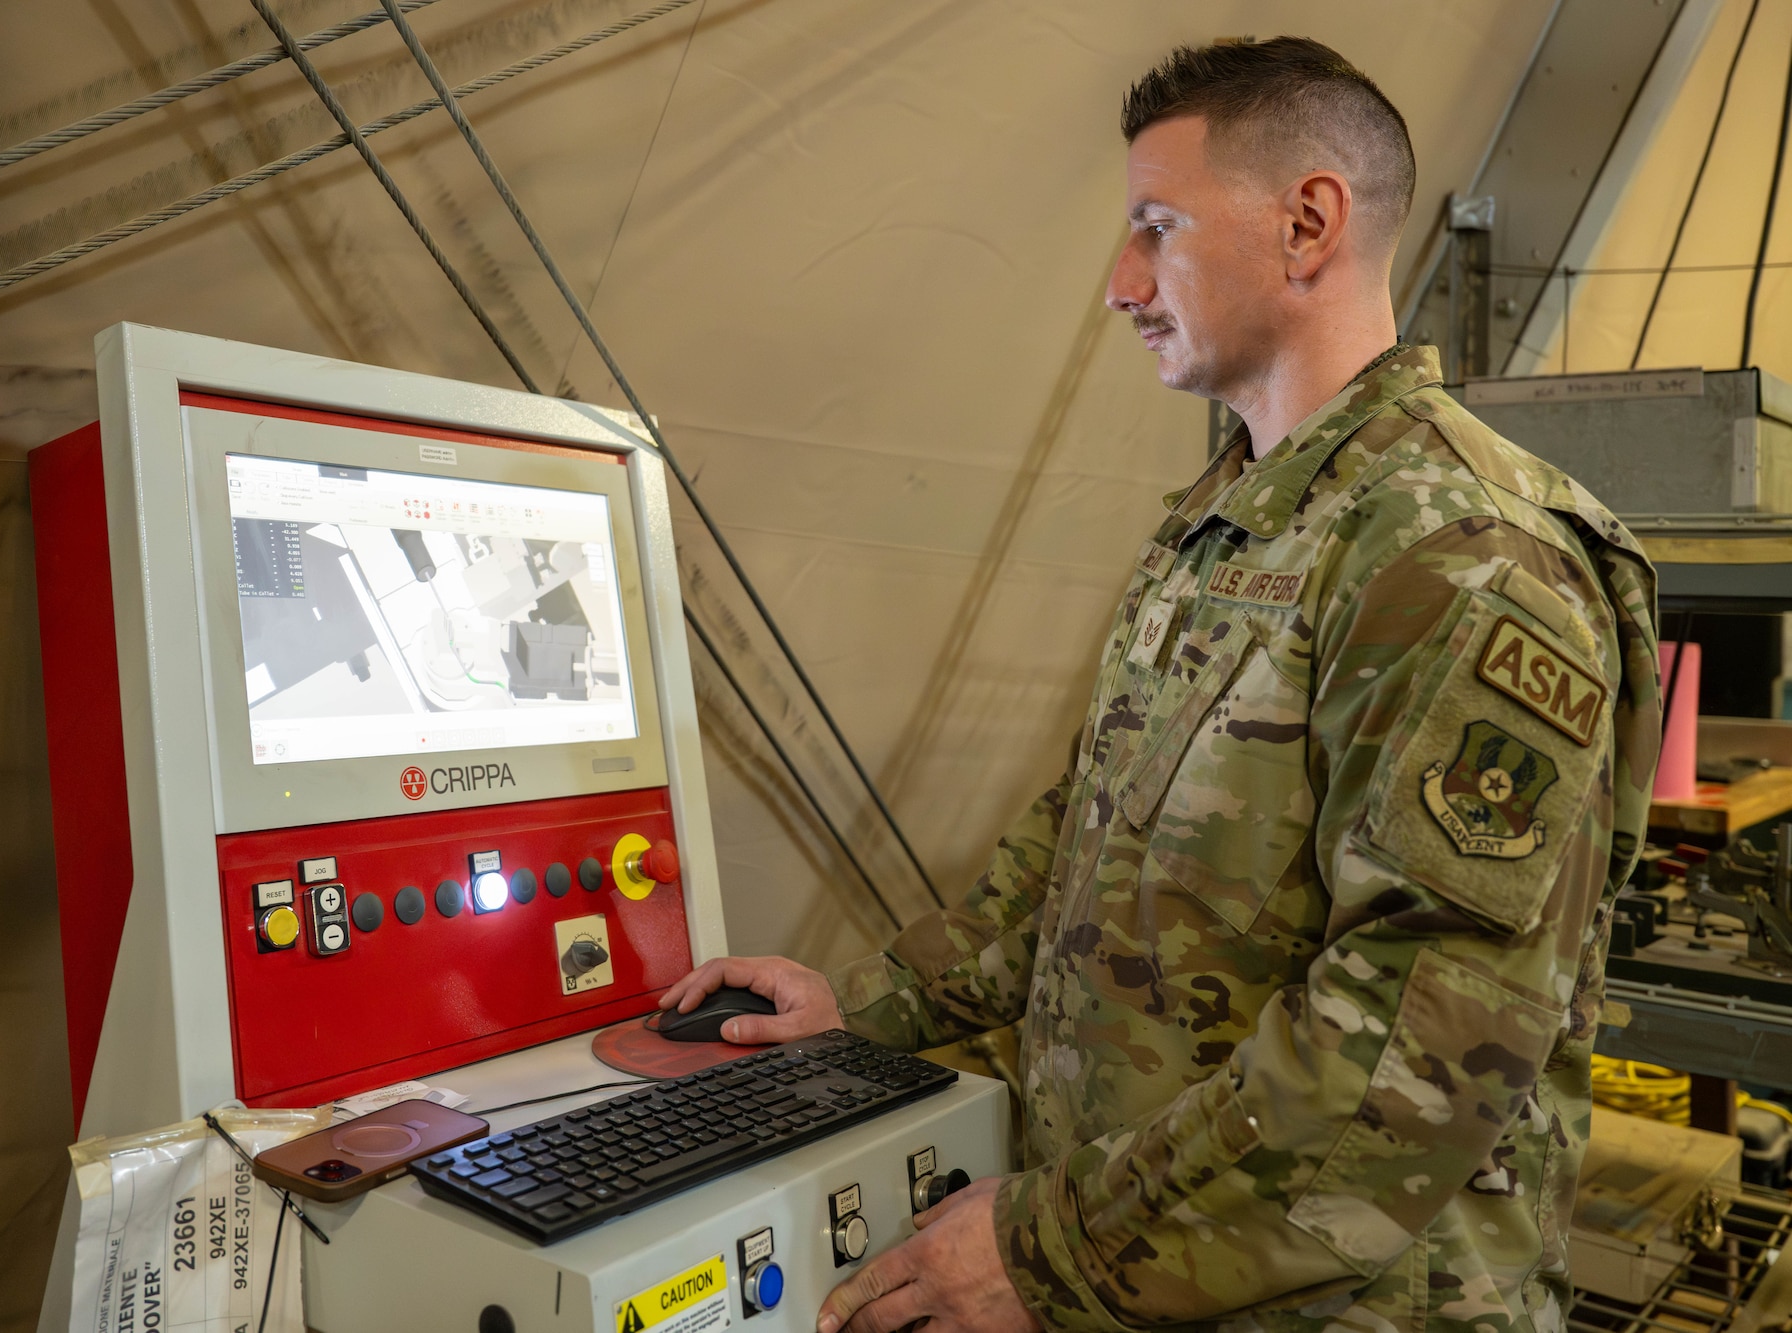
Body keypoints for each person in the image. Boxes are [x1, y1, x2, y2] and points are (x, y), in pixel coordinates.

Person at [660, 35, 1661, 1333]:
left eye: (1156, 227)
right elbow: (1082, 850)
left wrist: (1048, 1252)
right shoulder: (1227, 526)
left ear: (1308, 223)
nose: (1120, 284)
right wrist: (866, 1009)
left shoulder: (1461, 556)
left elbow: (1406, 1067)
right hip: (1160, 1285)